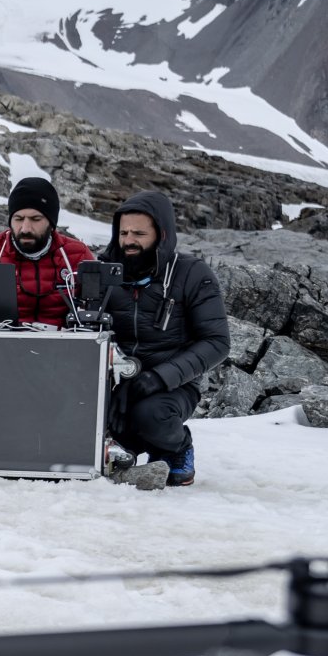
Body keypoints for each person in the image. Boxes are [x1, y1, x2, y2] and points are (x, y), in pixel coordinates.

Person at [97, 188, 227, 489]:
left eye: (139, 233)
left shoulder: (192, 274)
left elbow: (217, 342)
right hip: (113, 383)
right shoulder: (104, 273)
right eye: (124, 232)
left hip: (172, 385)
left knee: (152, 415)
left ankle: (177, 448)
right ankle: (128, 447)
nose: (129, 241)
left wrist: (158, 377)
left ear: (162, 234)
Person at [0, 175, 93, 326]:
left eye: (36, 219)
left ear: (51, 223)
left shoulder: (78, 256)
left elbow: (97, 310)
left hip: (62, 344)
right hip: (0, 345)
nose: (25, 228)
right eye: (18, 219)